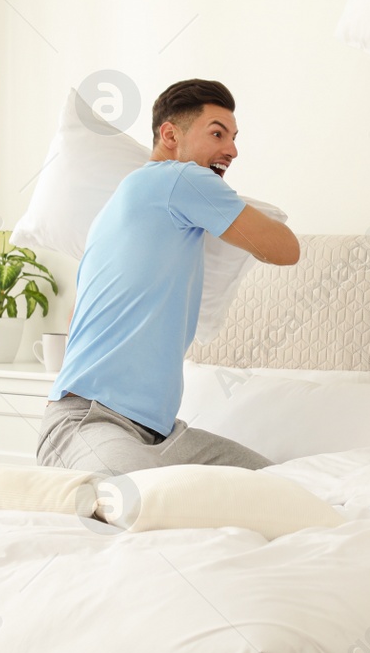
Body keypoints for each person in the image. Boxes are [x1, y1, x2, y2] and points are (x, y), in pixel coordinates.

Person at [35, 79, 299, 474]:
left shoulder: (127, 198)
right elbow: (285, 249)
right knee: (133, 500)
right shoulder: (181, 179)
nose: (232, 149)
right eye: (217, 133)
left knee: (283, 486)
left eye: (233, 137)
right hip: (89, 423)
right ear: (170, 134)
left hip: (160, 435)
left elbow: (77, 315)